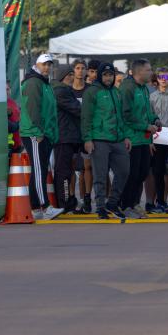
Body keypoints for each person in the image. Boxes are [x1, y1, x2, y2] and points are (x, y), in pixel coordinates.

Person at [81, 63, 131, 220]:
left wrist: (126, 136)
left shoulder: (116, 92)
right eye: (105, 75)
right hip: (99, 139)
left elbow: (122, 117)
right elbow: (86, 117)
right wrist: (87, 139)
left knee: (124, 171)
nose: (108, 78)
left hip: (118, 139)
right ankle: (100, 206)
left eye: (110, 75)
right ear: (100, 75)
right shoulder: (92, 92)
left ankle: (112, 203)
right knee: (100, 175)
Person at [20, 53, 63, 220]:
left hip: (44, 133)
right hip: (34, 133)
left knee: (41, 170)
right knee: (39, 170)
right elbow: (32, 109)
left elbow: (49, 110)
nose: (47, 67)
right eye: (44, 64)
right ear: (36, 65)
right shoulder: (33, 83)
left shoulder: (45, 84)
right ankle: (45, 207)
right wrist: (38, 132)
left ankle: (35, 208)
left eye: (49, 64)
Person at [119, 59, 160, 219]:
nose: (151, 73)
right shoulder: (127, 88)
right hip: (132, 139)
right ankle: (126, 205)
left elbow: (147, 111)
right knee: (132, 174)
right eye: (148, 70)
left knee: (142, 173)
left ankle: (134, 203)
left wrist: (155, 119)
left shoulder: (144, 88)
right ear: (138, 72)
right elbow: (126, 115)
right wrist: (146, 126)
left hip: (144, 139)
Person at [52, 63, 85, 213]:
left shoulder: (64, 90)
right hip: (63, 137)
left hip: (69, 136)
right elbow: (77, 109)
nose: (73, 77)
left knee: (68, 171)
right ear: (63, 76)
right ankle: (64, 202)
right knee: (63, 171)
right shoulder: (60, 91)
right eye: (70, 74)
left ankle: (67, 201)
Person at [150, 67, 168, 213]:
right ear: (157, 78)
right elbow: (148, 118)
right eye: (161, 77)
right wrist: (150, 140)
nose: (163, 79)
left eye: (167, 77)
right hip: (156, 138)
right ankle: (160, 201)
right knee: (158, 171)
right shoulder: (152, 97)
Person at [67, 59, 94, 214]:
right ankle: (72, 197)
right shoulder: (68, 90)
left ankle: (87, 198)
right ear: (73, 71)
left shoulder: (90, 90)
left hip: (86, 133)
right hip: (71, 133)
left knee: (87, 167)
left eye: (83, 68)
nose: (81, 71)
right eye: (78, 68)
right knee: (71, 167)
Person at [6, 82, 21, 155]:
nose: (6, 92)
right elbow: (9, 126)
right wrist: (20, 124)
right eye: (4, 90)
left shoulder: (13, 102)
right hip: (8, 146)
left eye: (8, 89)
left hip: (18, 144)